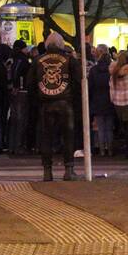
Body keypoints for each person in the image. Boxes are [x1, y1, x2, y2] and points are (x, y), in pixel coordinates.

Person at [33, 32, 82, 180]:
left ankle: (47, 171)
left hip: (45, 104)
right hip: (66, 103)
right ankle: (69, 170)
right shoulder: (70, 60)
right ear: (61, 45)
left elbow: (31, 83)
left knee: (46, 138)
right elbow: (78, 83)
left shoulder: (37, 60)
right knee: (68, 137)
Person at [88, 45, 115, 156]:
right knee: (109, 127)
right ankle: (110, 149)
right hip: (110, 100)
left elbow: (90, 86)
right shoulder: (112, 69)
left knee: (100, 127)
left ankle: (102, 150)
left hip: (97, 100)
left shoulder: (94, 70)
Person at [7, 40, 30, 154]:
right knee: (21, 119)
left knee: (14, 119)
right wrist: (18, 86)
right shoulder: (23, 60)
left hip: (14, 92)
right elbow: (18, 74)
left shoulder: (12, 60)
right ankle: (19, 145)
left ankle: (12, 145)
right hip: (22, 91)